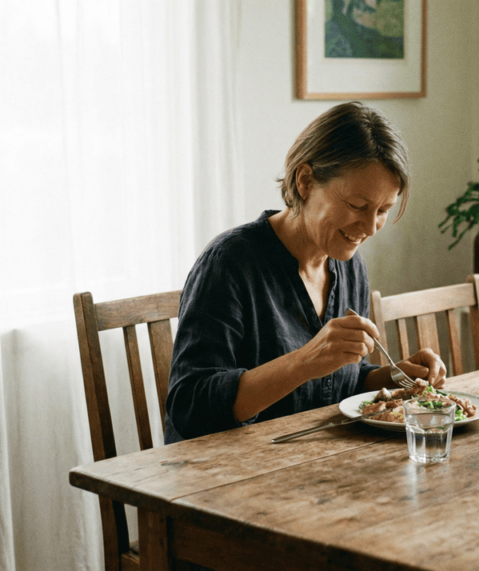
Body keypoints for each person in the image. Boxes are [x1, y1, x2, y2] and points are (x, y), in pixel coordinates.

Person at [164, 102, 446, 443]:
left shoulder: (348, 264)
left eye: (383, 210)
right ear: (305, 180)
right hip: (226, 478)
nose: (370, 228)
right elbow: (189, 407)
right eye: (357, 206)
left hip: (313, 467)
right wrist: (304, 361)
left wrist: (398, 377)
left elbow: (339, 384)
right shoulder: (229, 264)